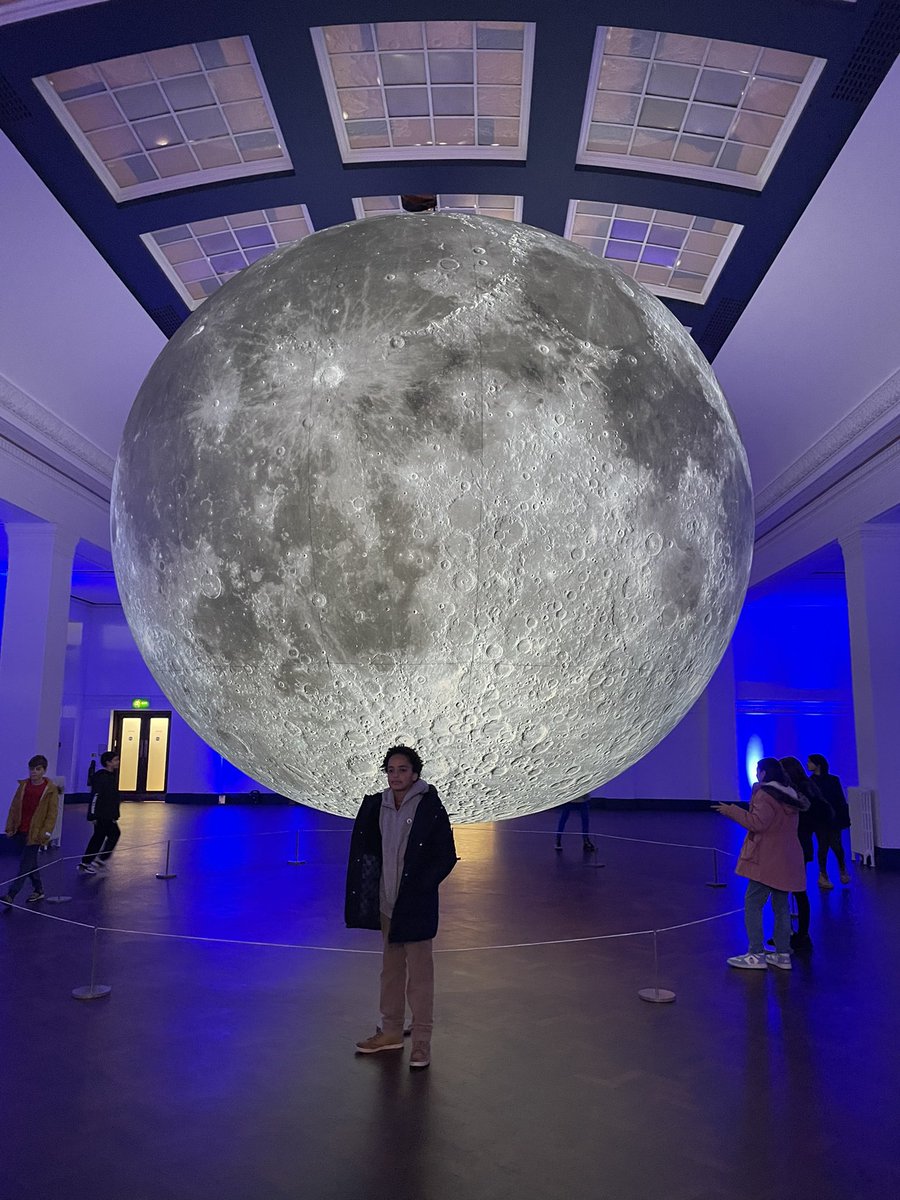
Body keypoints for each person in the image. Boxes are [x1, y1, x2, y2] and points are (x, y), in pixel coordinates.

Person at [345, 745, 457, 1069]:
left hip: (416, 907)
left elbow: (445, 855)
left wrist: (421, 887)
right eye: (391, 770)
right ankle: (391, 1032)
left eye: (403, 770)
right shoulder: (377, 806)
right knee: (391, 973)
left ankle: (421, 1043)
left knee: (420, 978)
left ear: (415, 773)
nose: (396, 776)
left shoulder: (430, 806)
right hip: (387, 906)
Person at [713, 757, 808, 970]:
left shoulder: (766, 796)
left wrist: (732, 811)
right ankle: (783, 953)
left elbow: (757, 823)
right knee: (781, 905)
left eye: (758, 770)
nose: (756, 774)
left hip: (768, 858)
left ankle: (756, 953)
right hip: (788, 857)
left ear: (764, 773)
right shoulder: (789, 796)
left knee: (753, 902)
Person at [780, 756, 832, 951]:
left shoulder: (795, 792)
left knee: (793, 891)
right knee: (799, 891)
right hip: (803, 844)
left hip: (794, 844)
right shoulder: (808, 788)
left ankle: (796, 933)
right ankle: (798, 933)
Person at [1, 754, 60, 907]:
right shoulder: (23, 786)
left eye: (38, 769)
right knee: (31, 863)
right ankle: (39, 889)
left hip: (36, 833)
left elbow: (51, 814)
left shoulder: (50, 791)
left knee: (24, 864)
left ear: (44, 770)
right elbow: (14, 808)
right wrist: (10, 826)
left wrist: (46, 833)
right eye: (32, 769)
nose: (33, 772)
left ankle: (11, 895)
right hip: (21, 830)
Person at [807, 754, 851, 887]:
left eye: (810, 762)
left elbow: (840, 800)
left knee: (835, 846)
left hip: (832, 818)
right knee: (824, 847)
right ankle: (824, 874)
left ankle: (838, 871)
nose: (807, 764)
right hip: (821, 819)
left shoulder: (830, 780)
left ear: (817, 764)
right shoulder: (811, 782)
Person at [79, 751, 121, 873]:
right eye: (115, 760)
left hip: (108, 813)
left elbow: (113, 797)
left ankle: (86, 862)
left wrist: (115, 813)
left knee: (99, 837)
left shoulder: (111, 777)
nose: (118, 762)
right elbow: (95, 796)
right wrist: (92, 815)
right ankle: (98, 860)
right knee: (113, 834)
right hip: (102, 814)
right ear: (108, 763)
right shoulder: (102, 778)